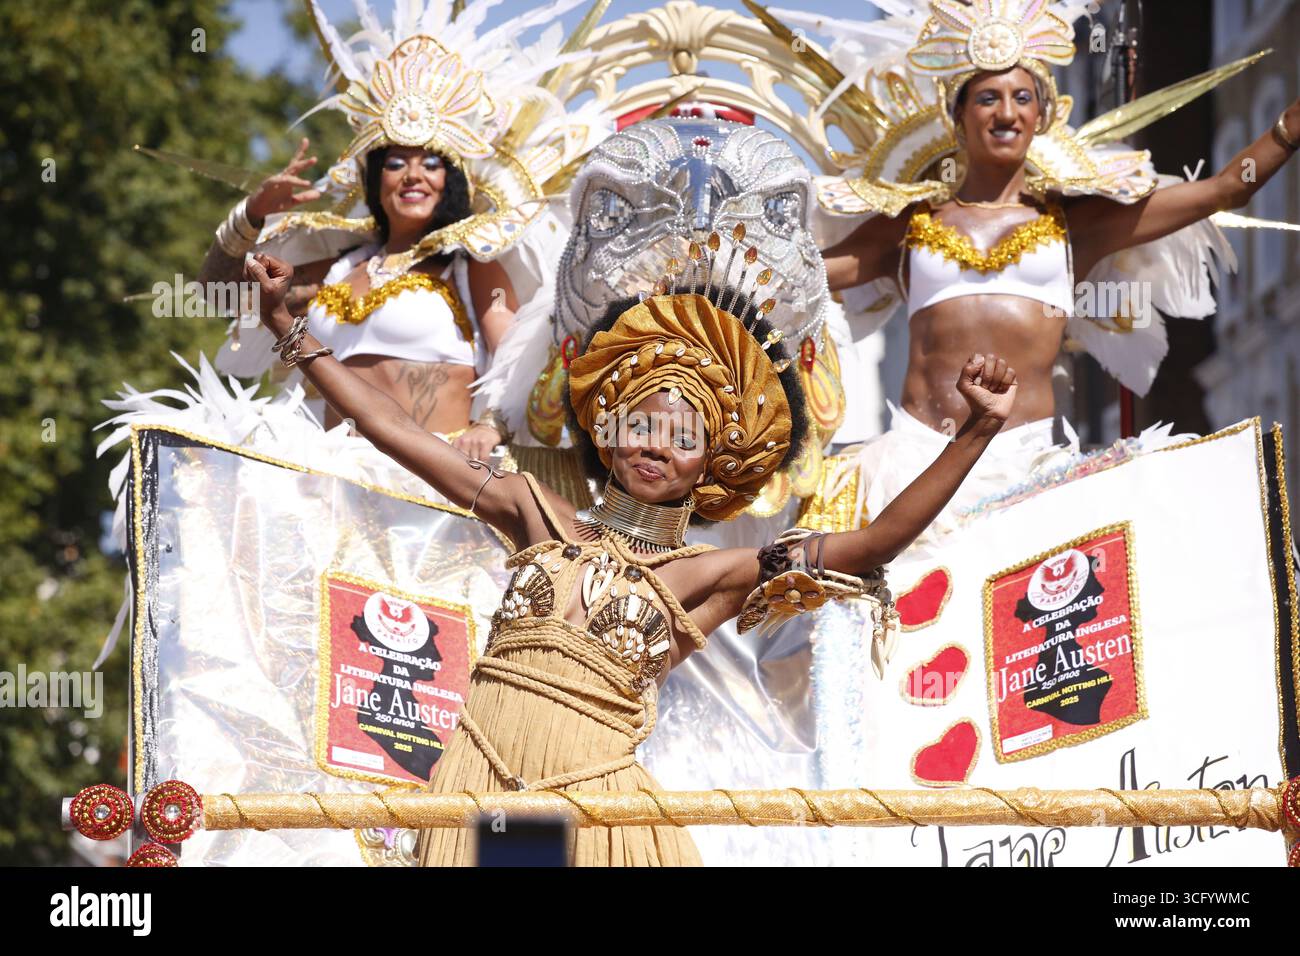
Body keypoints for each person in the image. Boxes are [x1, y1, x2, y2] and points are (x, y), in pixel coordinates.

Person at [243, 229, 1019, 866]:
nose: (657, 444)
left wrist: (977, 430)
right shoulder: (531, 510)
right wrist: (289, 329)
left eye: (684, 437)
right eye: (641, 423)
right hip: (477, 788)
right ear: (609, 434)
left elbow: (874, 543)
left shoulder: (710, 575)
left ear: (711, 465)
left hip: (600, 817)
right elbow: (394, 429)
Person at [758, 0, 1300, 548]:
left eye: (1022, 98)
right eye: (988, 98)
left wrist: (1287, 127)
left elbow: (1228, 188)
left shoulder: (1077, 228)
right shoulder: (907, 226)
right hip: (918, 465)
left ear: (1041, 115)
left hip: (1032, 471)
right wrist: (697, 278)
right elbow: (803, 276)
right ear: (958, 114)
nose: (1006, 113)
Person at [200, 137, 517, 460]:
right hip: (333, 483)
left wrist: (491, 425)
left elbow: (514, 357)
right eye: (395, 164)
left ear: (451, 181)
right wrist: (252, 213)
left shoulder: (470, 269)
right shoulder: (340, 271)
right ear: (376, 179)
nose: (412, 175)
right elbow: (222, 292)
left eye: (431, 164)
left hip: (430, 489)